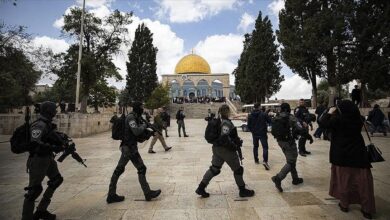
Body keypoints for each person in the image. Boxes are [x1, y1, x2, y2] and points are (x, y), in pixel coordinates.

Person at [319, 100, 375, 219]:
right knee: (363, 184)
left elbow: (323, 123)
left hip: (341, 155)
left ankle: (344, 204)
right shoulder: (359, 118)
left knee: (344, 181)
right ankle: (367, 209)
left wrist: (329, 112)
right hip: (359, 154)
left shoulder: (338, 120)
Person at [107, 101, 161, 203]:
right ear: (137, 108)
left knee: (126, 169)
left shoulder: (137, 116)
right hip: (128, 148)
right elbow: (136, 131)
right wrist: (145, 126)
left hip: (130, 147)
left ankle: (112, 194)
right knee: (135, 169)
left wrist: (150, 132)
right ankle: (147, 193)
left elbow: (140, 134)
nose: (142, 109)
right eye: (141, 107)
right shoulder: (131, 118)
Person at [196, 105, 255, 198]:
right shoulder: (226, 123)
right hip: (225, 150)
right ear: (226, 112)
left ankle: (201, 188)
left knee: (214, 169)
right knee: (238, 170)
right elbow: (224, 137)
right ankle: (242, 190)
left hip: (217, 149)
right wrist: (233, 145)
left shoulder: (219, 121)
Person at [22, 101, 65, 220]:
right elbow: (35, 143)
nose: (56, 111)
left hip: (47, 158)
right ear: (48, 111)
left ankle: (41, 210)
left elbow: (49, 137)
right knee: (34, 191)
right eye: (53, 109)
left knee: (56, 180)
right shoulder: (39, 124)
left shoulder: (47, 124)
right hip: (38, 160)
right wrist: (54, 147)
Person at [270, 103, 305, 193]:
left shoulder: (277, 117)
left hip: (280, 141)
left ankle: (295, 178)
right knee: (291, 161)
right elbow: (300, 128)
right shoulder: (290, 117)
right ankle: (278, 178)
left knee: (291, 159)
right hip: (289, 142)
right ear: (288, 109)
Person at [247, 103, 271, 170]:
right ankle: (265, 161)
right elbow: (270, 121)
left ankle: (256, 160)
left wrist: (253, 131)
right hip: (262, 133)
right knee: (265, 147)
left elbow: (248, 126)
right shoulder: (263, 114)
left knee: (255, 146)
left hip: (254, 134)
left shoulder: (250, 115)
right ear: (259, 107)